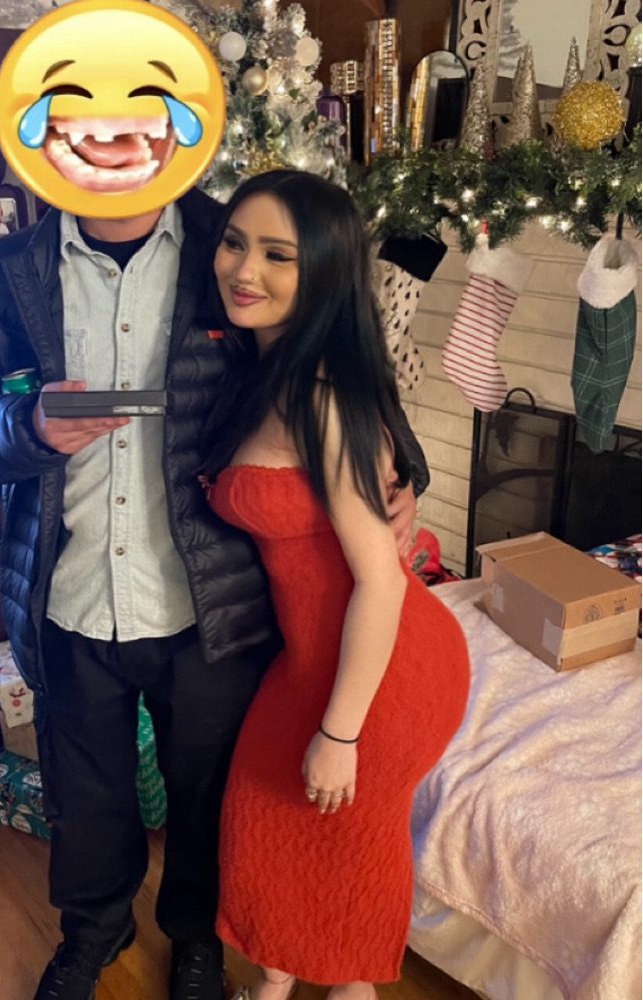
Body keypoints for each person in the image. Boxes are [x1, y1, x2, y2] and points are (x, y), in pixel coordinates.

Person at [0, 170, 429, 1000]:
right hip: (67, 596)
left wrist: (404, 471)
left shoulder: (228, 246)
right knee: (84, 798)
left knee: (207, 795)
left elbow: (333, 347)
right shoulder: (4, 271)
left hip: (211, 602)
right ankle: (93, 931)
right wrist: (27, 424)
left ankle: (197, 938)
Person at [202, 171, 470, 1000]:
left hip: (383, 667)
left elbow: (381, 584)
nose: (244, 269)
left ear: (321, 270)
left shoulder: (317, 395)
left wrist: (341, 734)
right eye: (234, 243)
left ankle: (349, 986)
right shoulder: (262, 367)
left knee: (346, 844)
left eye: (277, 255)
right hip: (314, 653)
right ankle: (277, 978)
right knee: (262, 824)